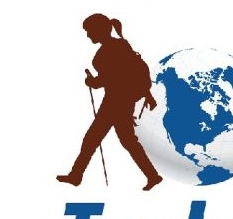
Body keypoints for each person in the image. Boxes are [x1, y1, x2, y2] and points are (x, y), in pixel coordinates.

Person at [58, 12, 162, 190]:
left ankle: (76, 176)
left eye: (89, 31)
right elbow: (127, 73)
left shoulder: (109, 51)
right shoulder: (120, 45)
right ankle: (152, 176)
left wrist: (92, 82)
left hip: (116, 102)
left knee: (95, 139)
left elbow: (111, 78)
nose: (88, 35)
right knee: (125, 141)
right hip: (121, 100)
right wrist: (147, 94)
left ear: (99, 30)